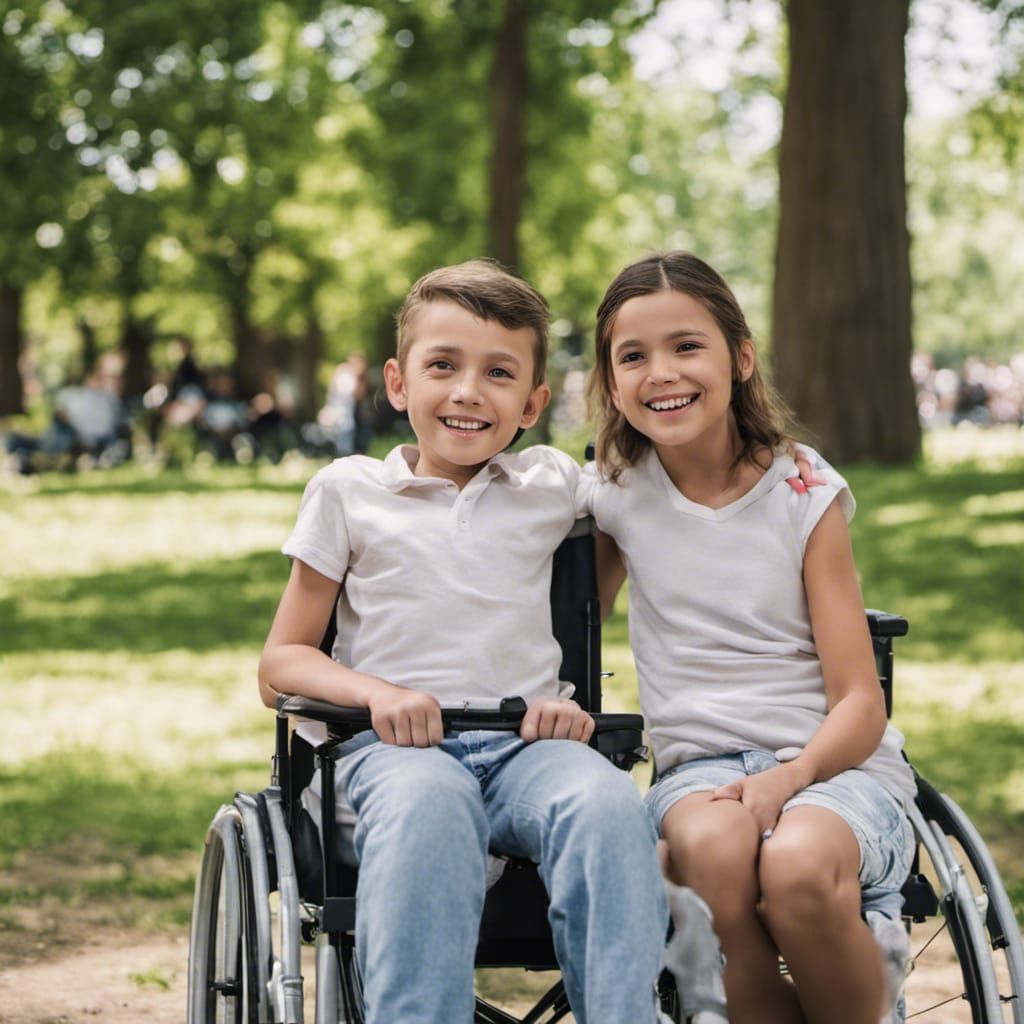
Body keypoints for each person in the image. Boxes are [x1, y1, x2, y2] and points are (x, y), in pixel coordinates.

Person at [258, 259, 673, 1024]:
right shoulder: (349, 493)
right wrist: (379, 695)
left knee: (609, 804)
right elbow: (281, 662)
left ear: (532, 403)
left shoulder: (551, 483)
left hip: (525, 746)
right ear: (396, 383)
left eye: (498, 373)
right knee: (432, 803)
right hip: (389, 754)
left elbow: (666, 482)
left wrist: (562, 707)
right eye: (442, 365)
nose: (467, 391)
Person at [583, 252, 916, 1024]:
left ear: (740, 357)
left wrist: (787, 780)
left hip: (836, 769)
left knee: (796, 866)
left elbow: (861, 705)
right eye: (633, 356)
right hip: (699, 775)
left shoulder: (803, 490)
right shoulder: (613, 495)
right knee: (714, 852)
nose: (661, 372)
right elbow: (559, 638)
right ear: (610, 380)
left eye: (686, 346)